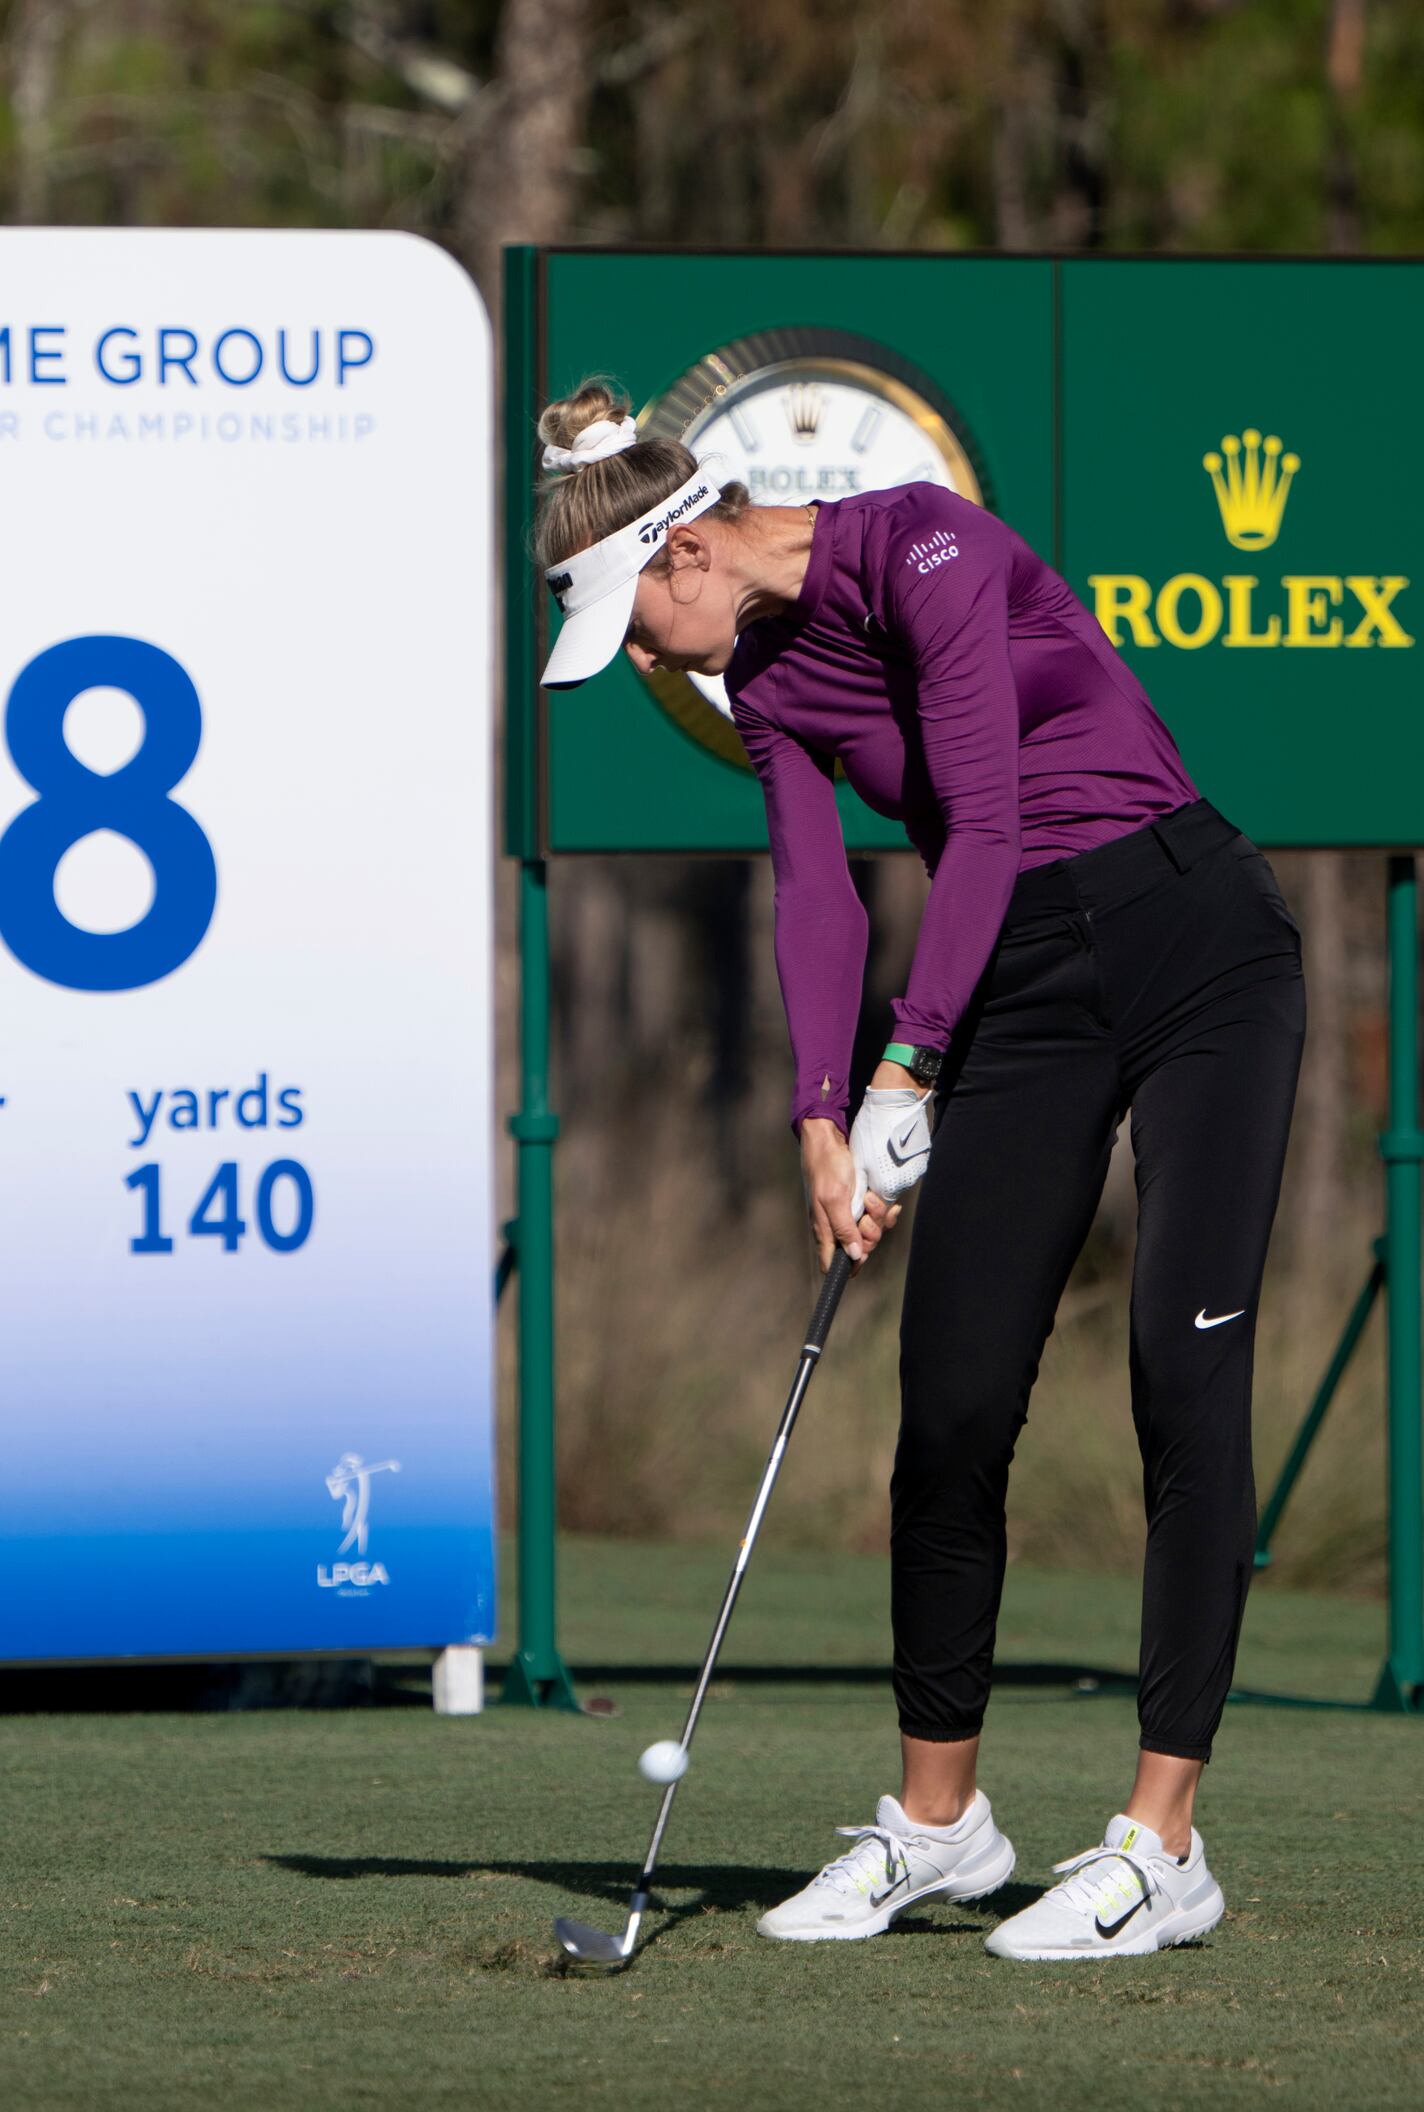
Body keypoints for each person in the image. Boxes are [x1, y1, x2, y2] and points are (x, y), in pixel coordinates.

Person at [534, 379, 1305, 1962]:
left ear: (686, 549)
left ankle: (1163, 1847)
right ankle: (940, 1829)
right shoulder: (759, 679)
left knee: (1182, 1373)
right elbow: (814, 898)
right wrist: (825, 1115)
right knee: (952, 1400)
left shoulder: (928, 549)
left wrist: (911, 1057)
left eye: (632, 619)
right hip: (1020, 990)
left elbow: (994, 820)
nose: (639, 657)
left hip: (1195, 945)